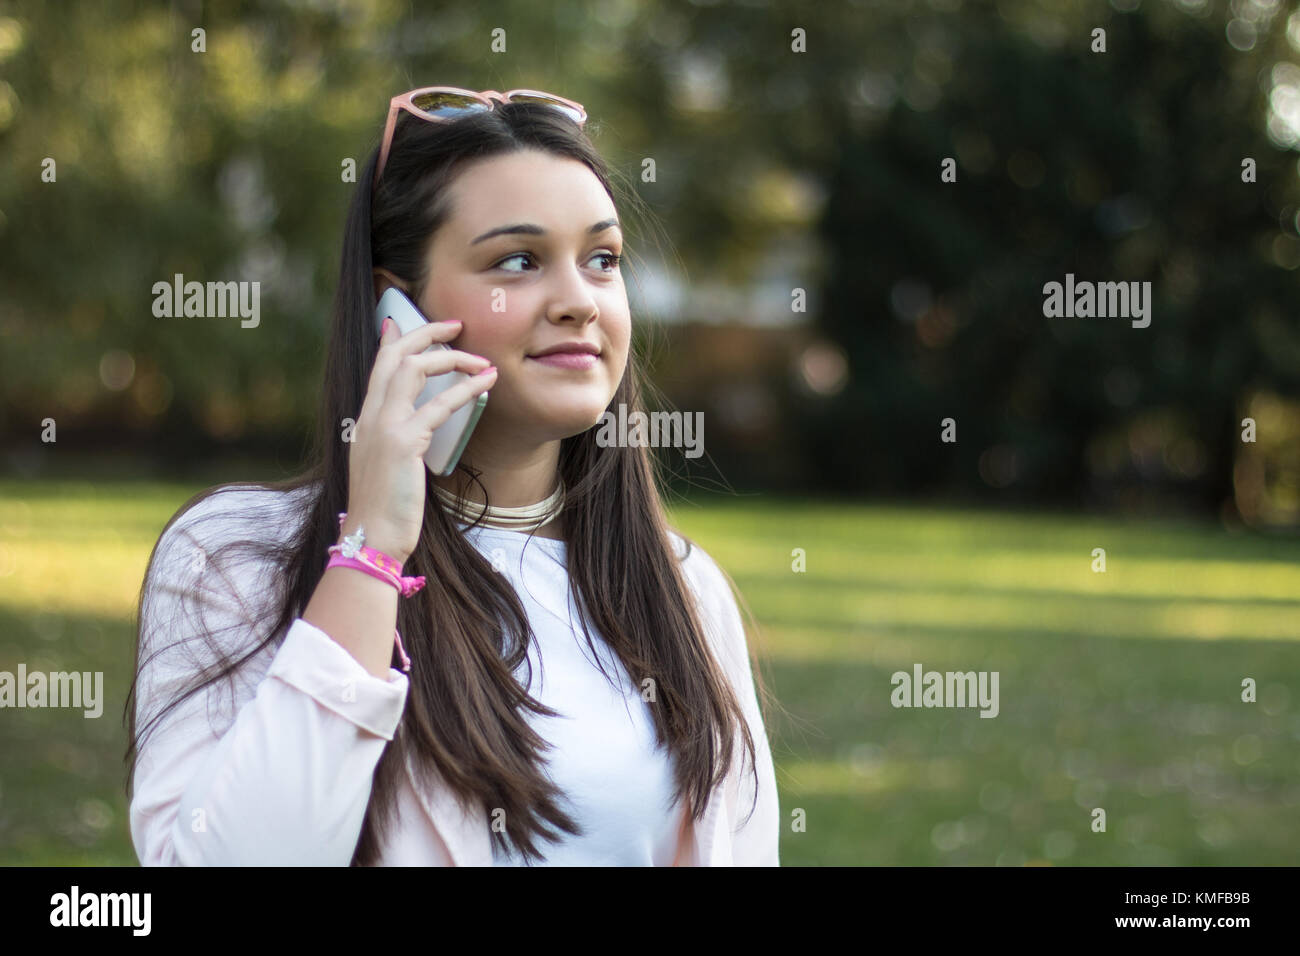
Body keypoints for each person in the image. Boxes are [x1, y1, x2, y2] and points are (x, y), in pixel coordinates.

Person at [126, 87, 780, 866]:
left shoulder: (685, 589)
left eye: (602, 260)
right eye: (518, 261)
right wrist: (369, 552)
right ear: (392, 308)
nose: (579, 301)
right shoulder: (233, 558)